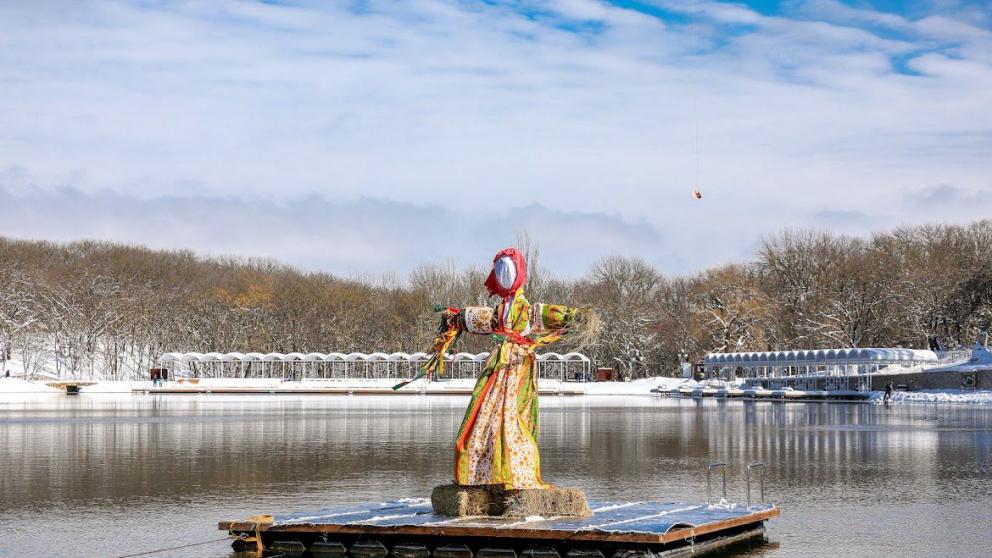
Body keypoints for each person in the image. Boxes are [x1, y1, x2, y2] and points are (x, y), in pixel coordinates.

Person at [417, 247, 596, 489]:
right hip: (498, 366)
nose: (503, 275)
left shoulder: (530, 310)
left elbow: (558, 316)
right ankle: (482, 475)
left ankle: (515, 475)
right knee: (484, 416)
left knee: (512, 418)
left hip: (517, 366)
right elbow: (481, 319)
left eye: (508, 270)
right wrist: (456, 318)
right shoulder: (500, 310)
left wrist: (580, 318)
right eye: (499, 270)